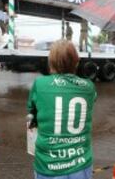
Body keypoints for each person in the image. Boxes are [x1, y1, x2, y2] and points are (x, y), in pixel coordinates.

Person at [27, 40, 96, 179]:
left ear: (50, 62)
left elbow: (31, 110)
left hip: (48, 165)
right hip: (81, 164)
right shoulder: (89, 86)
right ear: (76, 62)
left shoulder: (40, 84)